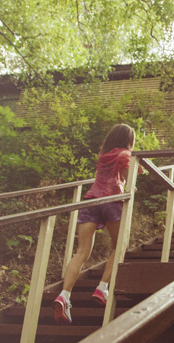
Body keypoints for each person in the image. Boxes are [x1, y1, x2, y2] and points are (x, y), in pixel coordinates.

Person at [54, 124, 141, 324]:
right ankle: (102, 288)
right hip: (112, 201)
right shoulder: (125, 154)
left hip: (92, 200)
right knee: (119, 245)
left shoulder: (103, 155)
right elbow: (130, 184)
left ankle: (64, 295)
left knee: (82, 251)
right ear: (129, 139)